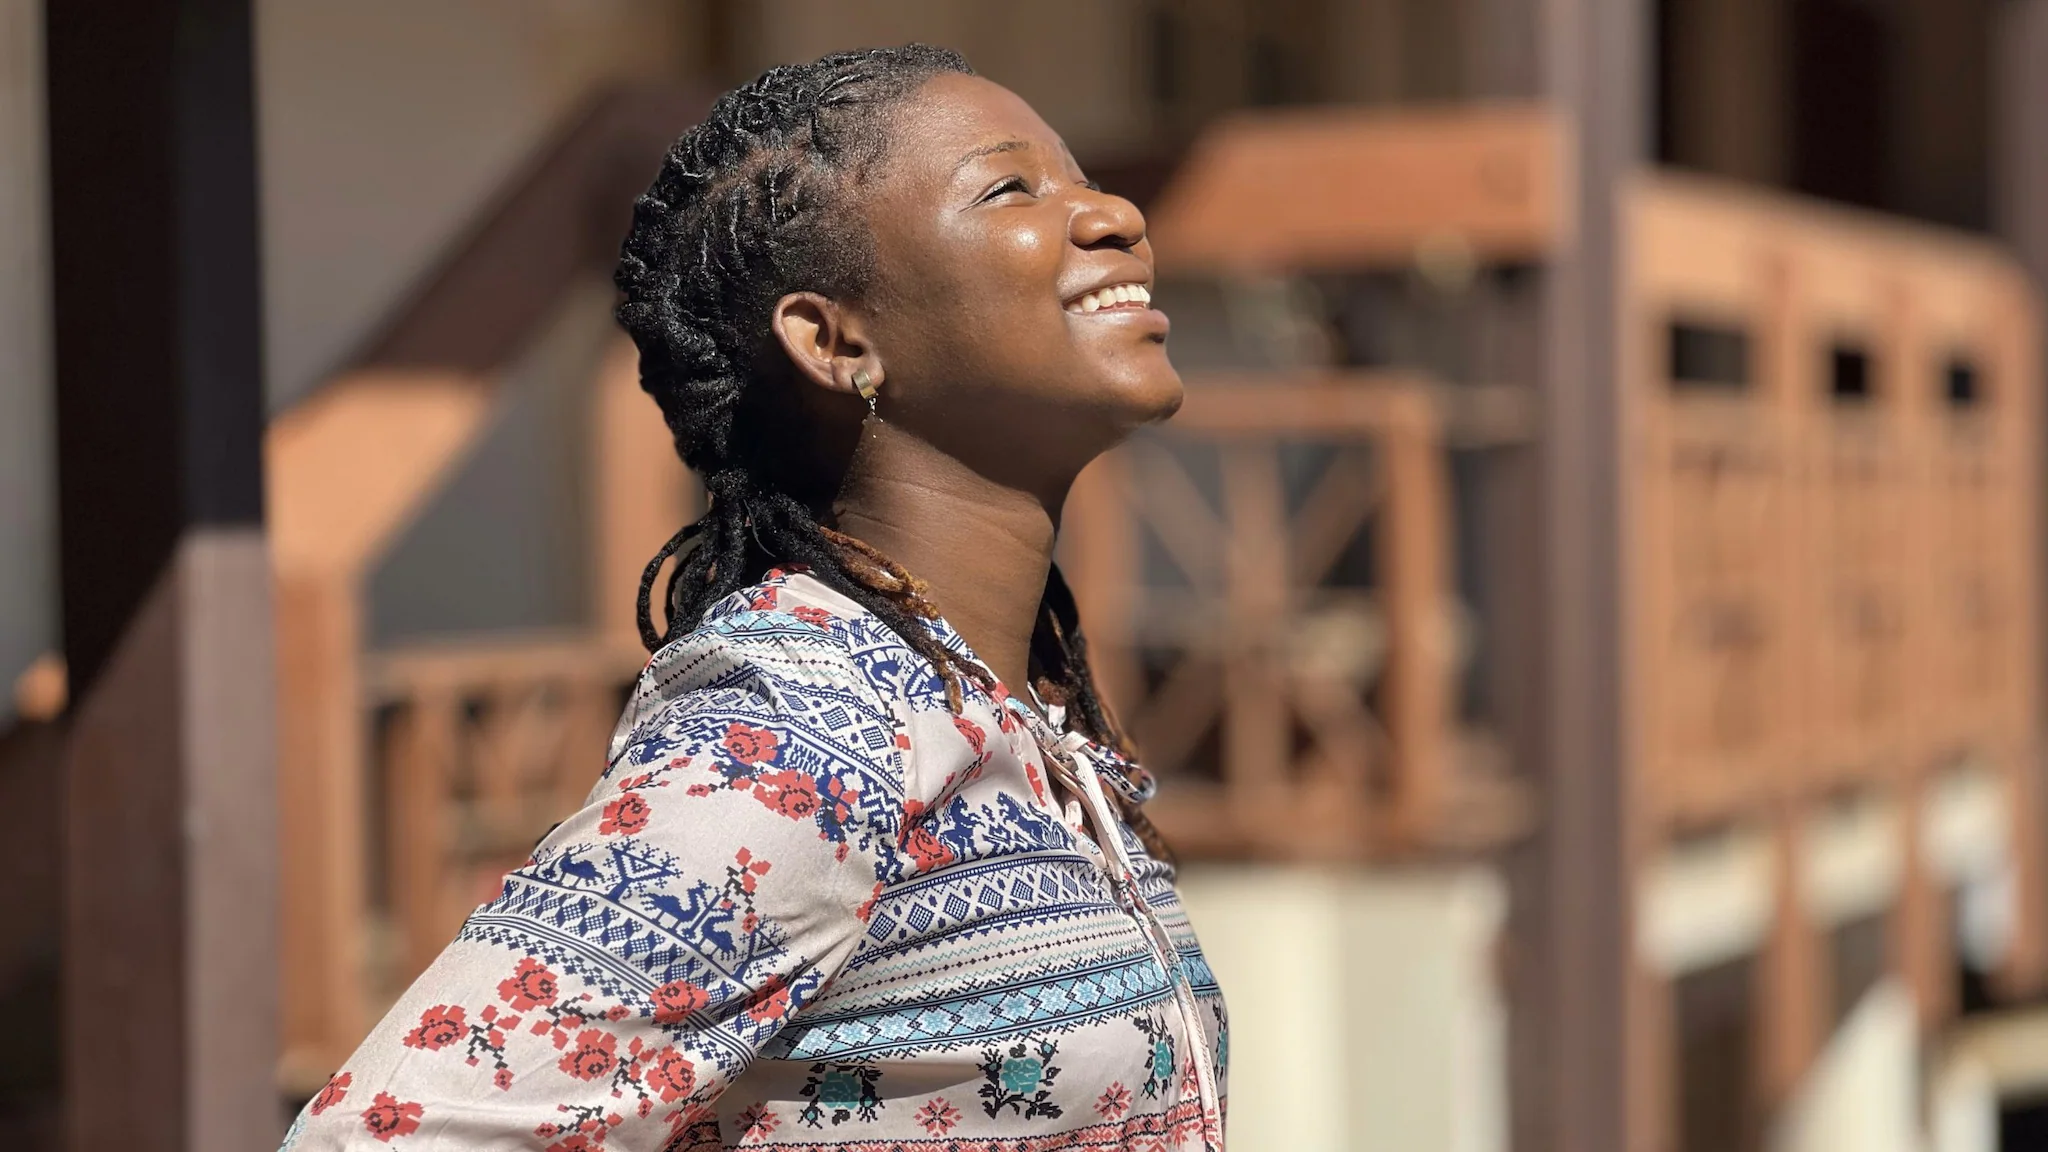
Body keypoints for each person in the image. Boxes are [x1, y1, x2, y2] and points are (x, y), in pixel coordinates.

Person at [281, 44, 1225, 1152]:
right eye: (1010, 189)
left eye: (1082, 178)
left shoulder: (1005, 715)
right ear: (835, 340)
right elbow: (385, 1134)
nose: (1114, 215)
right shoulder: (801, 738)